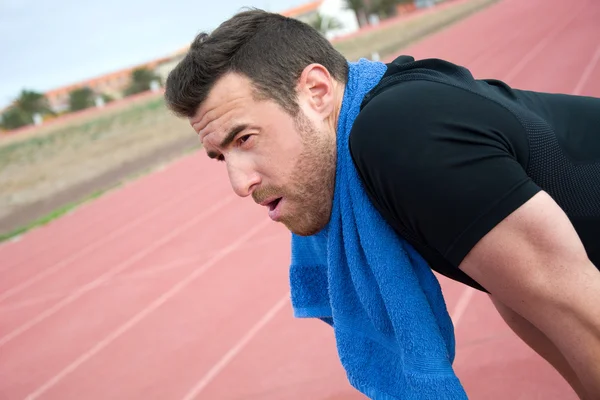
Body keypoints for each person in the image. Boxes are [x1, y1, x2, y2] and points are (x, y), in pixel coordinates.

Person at [164, 9, 600, 399]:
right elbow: (526, 302)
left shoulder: (400, 136)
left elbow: (581, 313)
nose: (240, 183)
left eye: (245, 138)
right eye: (222, 156)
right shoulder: (383, 135)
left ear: (316, 91)